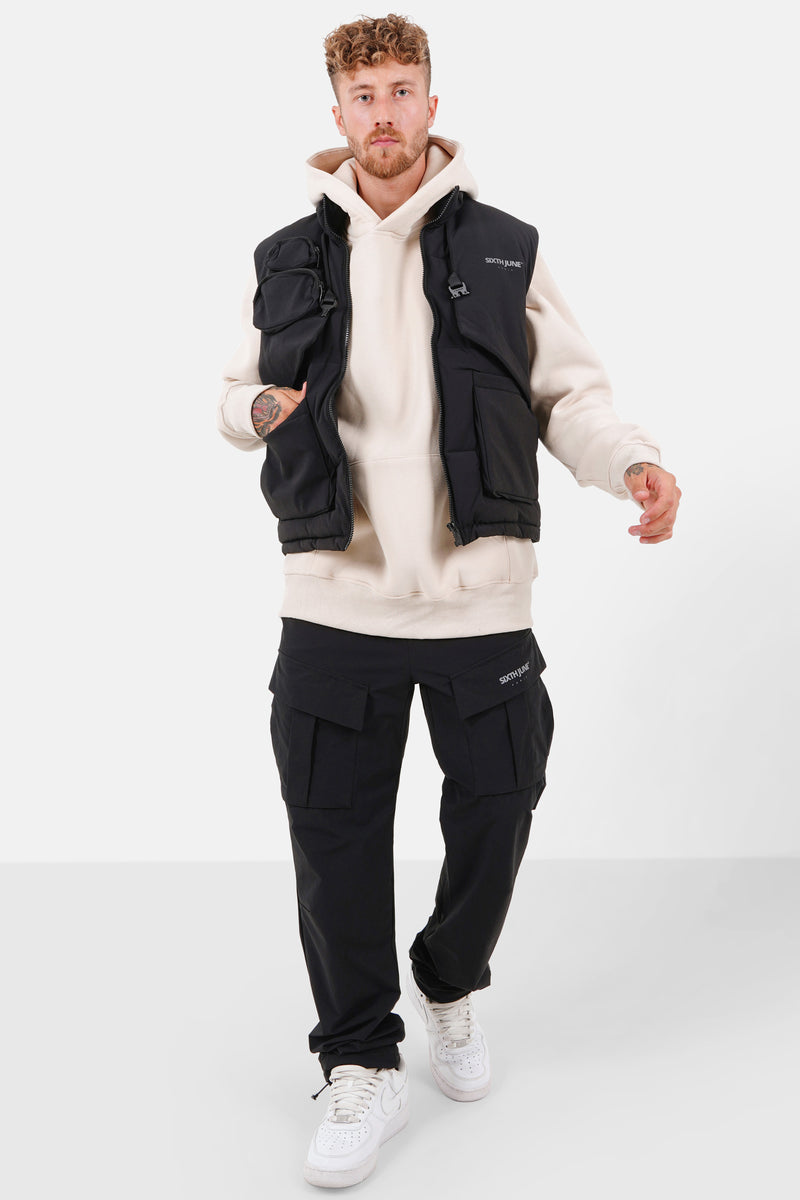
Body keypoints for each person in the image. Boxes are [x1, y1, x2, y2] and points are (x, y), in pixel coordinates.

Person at [217, 12, 681, 1189]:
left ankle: (448, 976)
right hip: (333, 597)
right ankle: (358, 1058)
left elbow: (569, 396)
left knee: (501, 800)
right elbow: (233, 391)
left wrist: (628, 461)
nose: (382, 113)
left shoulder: (504, 248)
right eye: (362, 94)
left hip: (481, 598)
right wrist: (258, 410)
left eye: (399, 89)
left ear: (431, 103)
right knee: (333, 837)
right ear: (336, 114)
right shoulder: (286, 255)